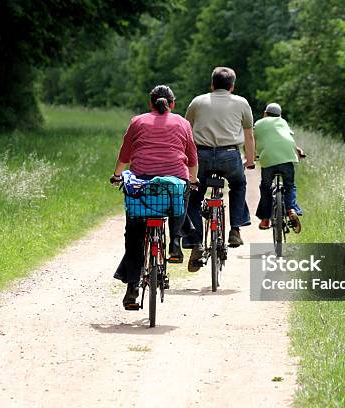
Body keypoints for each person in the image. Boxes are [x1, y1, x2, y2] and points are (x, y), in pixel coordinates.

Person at [111, 85, 198, 309]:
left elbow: (125, 153)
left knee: (134, 234)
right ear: (172, 104)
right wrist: (193, 179)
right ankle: (176, 242)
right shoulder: (182, 122)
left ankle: (132, 288)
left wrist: (117, 175)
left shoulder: (137, 121)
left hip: (143, 184)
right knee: (181, 196)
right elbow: (191, 157)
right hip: (175, 180)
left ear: (151, 104)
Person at [182, 66, 256, 272]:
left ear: (212, 85)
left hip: (201, 156)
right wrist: (250, 160)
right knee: (239, 185)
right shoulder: (242, 103)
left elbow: (186, 132)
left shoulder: (197, 102)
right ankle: (235, 229)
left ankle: (196, 242)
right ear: (232, 86)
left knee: (194, 197)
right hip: (230, 155)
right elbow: (249, 136)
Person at [254, 102, 304, 232]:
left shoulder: (259, 123)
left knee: (265, 187)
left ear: (265, 113)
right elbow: (285, 139)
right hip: (287, 156)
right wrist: (298, 151)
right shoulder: (283, 122)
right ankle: (291, 209)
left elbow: (252, 140)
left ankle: (265, 219)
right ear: (279, 115)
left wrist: (252, 156)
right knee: (289, 185)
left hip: (268, 160)